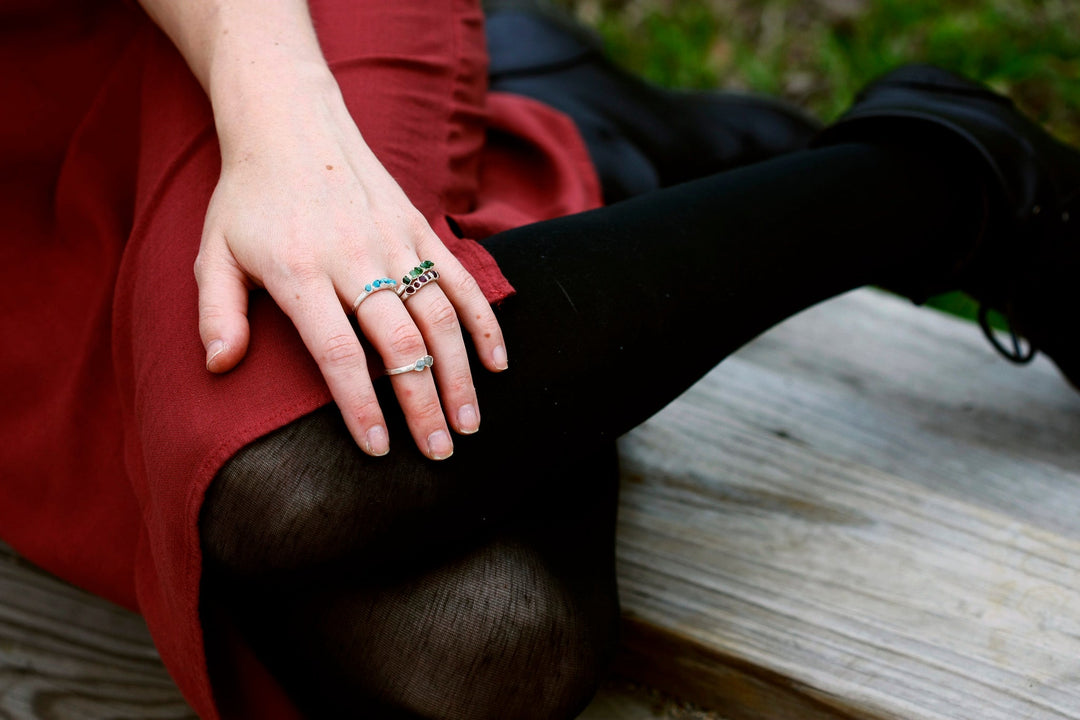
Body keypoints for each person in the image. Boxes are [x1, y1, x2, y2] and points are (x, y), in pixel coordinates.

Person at [1, 1, 1076, 719]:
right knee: (483, 646)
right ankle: (570, 139)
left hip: (231, 34)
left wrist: (287, 140)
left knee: (287, 458)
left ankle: (945, 179)